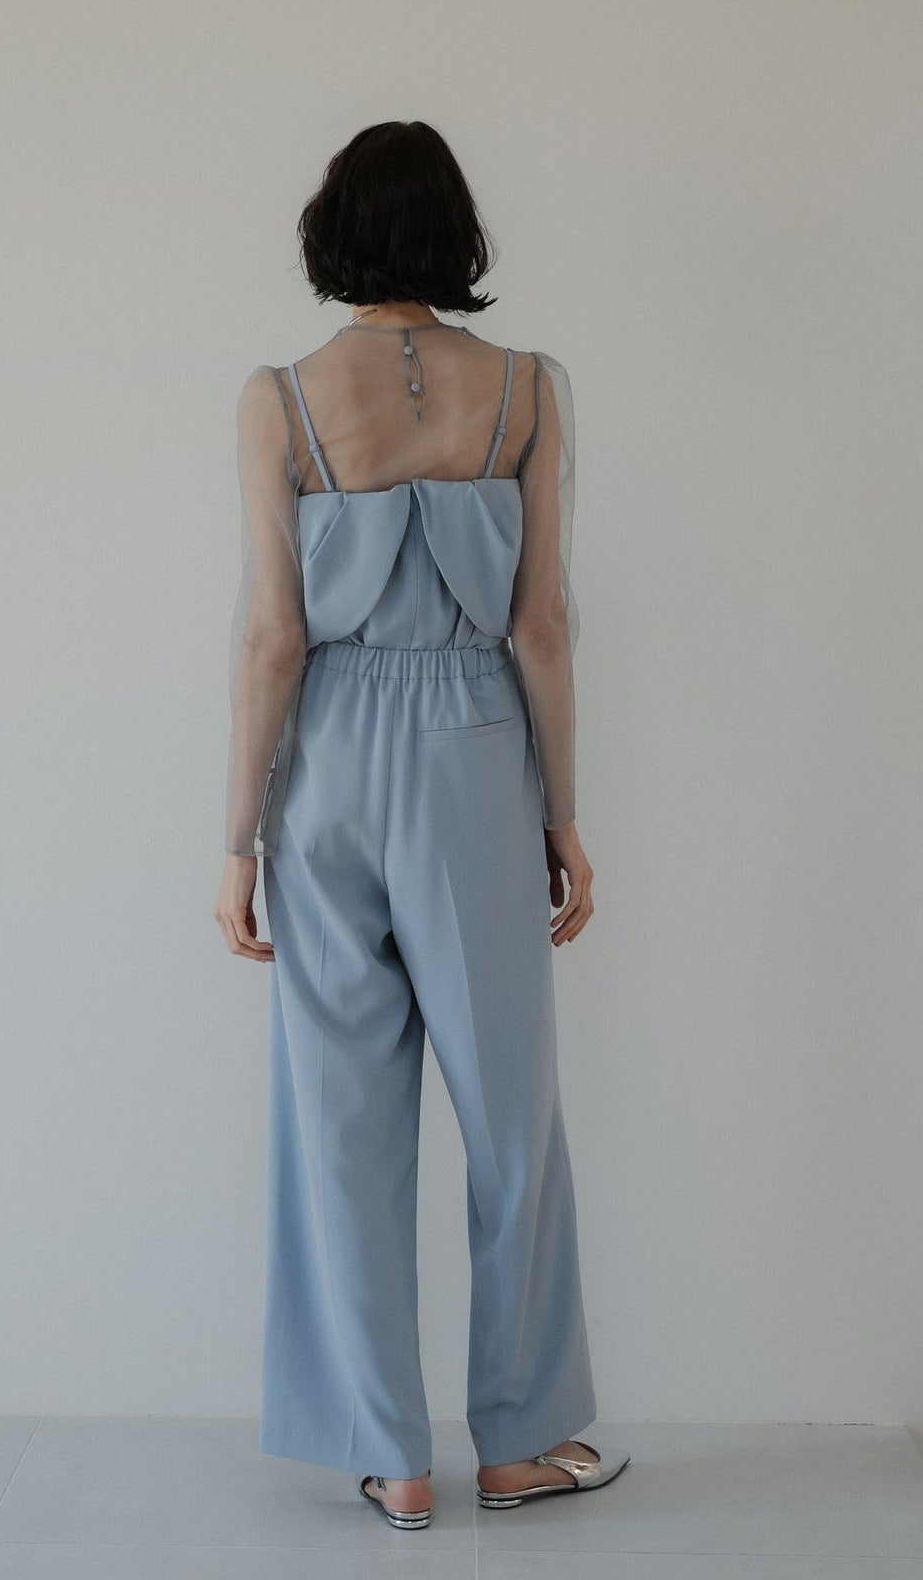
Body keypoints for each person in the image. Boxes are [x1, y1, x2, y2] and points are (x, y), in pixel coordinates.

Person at [214, 120, 629, 1528]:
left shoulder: (279, 398)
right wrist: (563, 814)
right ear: (455, 233)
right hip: (473, 751)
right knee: (512, 1113)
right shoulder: (524, 390)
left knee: (340, 1114)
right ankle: (515, 1443)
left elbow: (273, 637)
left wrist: (237, 838)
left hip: (328, 755)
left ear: (332, 233)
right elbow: (543, 621)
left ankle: (390, 1458)